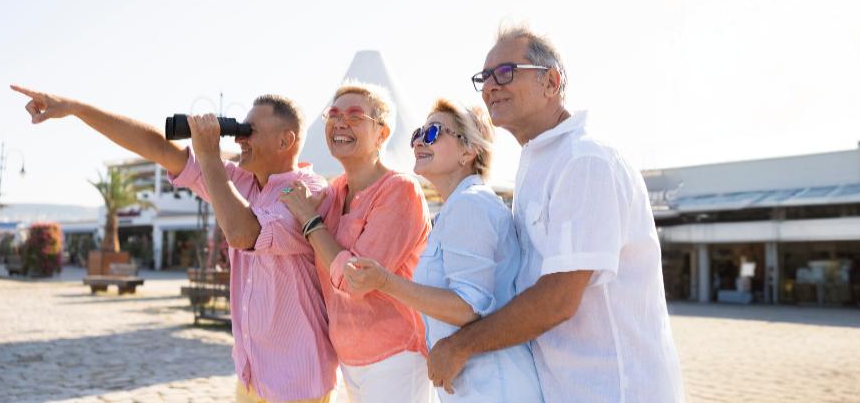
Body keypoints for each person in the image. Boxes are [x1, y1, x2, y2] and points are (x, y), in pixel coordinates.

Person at [12, 86, 336, 402]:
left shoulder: (309, 191)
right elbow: (158, 147)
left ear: (285, 140)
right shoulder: (241, 182)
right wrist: (77, 108)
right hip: (253, 375)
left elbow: (242, 233)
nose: (239, 138)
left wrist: (208, 156)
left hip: (298, 381)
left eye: (249, 131)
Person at [425, 25, 684, 401]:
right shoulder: (538, 163)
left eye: (505, 72)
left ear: (551, 82)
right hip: (565, 388)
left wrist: (459, 346)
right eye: (485, 77)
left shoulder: (585, 161)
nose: (490, 86)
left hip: (614, 388)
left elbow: (558, 298)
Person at [340, 98, 541, 401]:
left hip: (494, 388)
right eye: (418, 134)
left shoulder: (470, 204)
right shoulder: (460, 207)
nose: (419, 141)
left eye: (433, 132)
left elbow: (468, 307)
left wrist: (384, 282)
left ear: (469, 151)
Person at [279, 82, 432, 402]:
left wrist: (309, 219)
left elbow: (356, 279)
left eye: (354, 116)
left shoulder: (400, 190)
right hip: (348, 357)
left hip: (396, 355)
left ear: (382, 133)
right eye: (333, 115)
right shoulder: (335, 191)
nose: (340, 123)